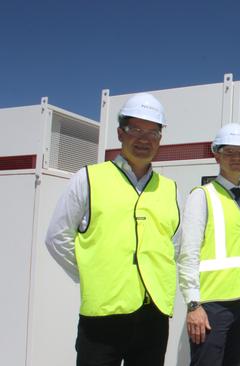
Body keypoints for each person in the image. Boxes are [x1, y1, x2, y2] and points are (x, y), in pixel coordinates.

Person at [45, 93, 180, 365]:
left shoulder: (169, 188)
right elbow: (57, 238)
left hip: (153, 316)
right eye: (135, 130)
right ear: (120, 133)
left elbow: (173, 245)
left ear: (160, 139)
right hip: (102, 320)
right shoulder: (89, 179)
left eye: (153, 132)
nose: (144, 139)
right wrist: (92, 273)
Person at [178, 123, 240, 366]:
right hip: (211, 306)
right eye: (229, 152)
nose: (236, 158)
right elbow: (188, 254)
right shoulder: (202, 196)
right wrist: (193, 304)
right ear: (216, 154)